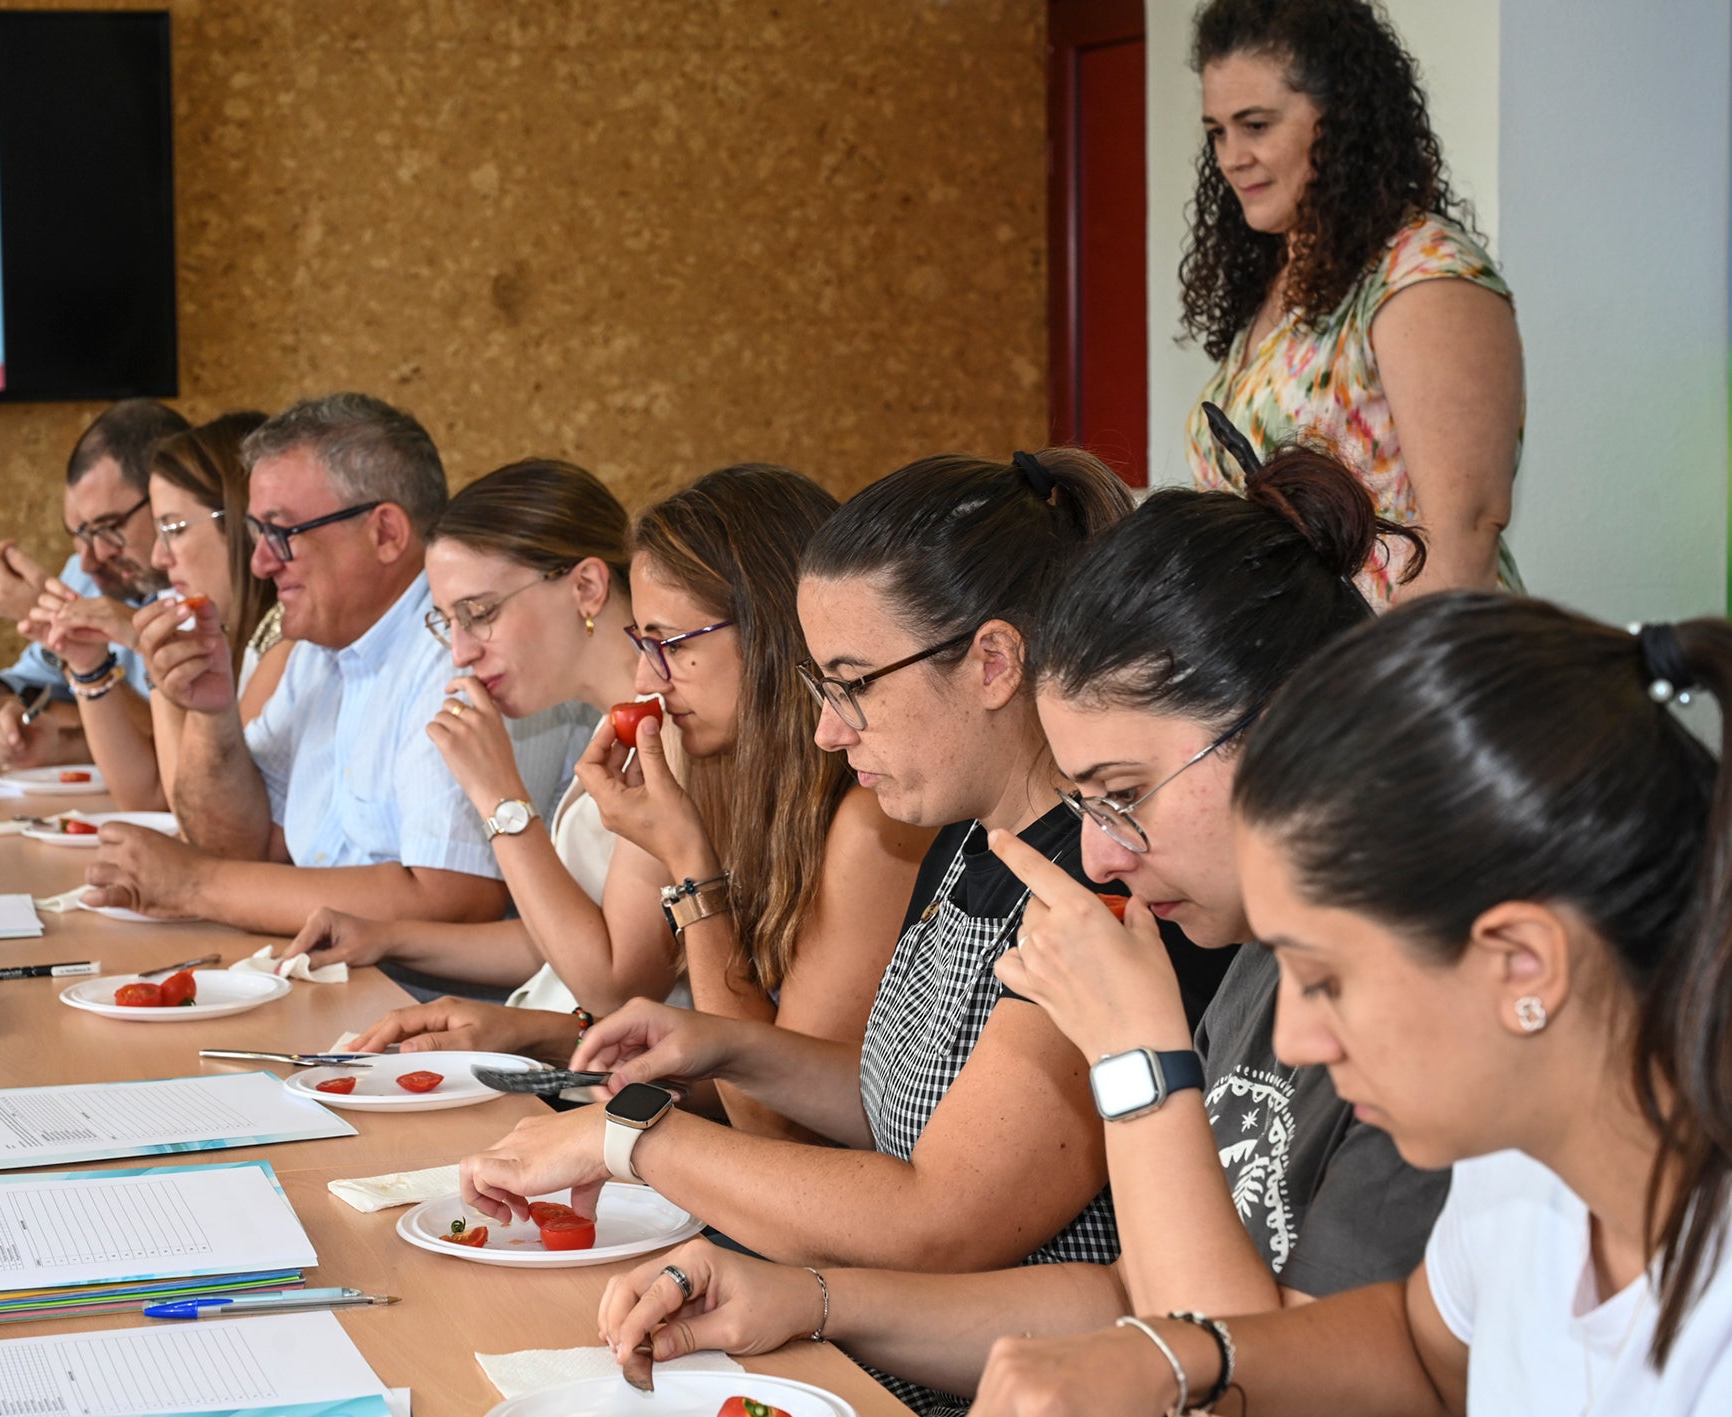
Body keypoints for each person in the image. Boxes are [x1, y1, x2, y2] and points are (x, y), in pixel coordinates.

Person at [595, 445, 1443, 1417]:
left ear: (1287, 737)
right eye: (1085, 801)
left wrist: (1139, 1060)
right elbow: (1124, 1298)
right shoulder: (1248, 953)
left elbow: (1219, 1374)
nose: (1098, 852)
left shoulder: (1384, 1000)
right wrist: (812, 1297)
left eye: (1121, 794)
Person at [460, 450, 1165, 1412]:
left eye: (853, 682)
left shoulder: (1091, 883)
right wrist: (731, 1044)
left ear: (995, 663)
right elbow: (903, 1100)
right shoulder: (962, 832)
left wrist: (634, 1139)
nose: (829, 731)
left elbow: (940, 1216)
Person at [961, 595, 1732, 1415]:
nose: (1294, 1038)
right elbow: (1421, 1348)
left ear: (1524, 965)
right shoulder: (1516, 1162)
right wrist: (1184, 1354)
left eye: (1325, 979)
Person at [308, 465, 930, 1105]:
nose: (648, 676)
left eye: (668, 642)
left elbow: (769, 1106)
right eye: (642, 642)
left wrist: (511, 806)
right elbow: (732, 1060)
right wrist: (543, 1036)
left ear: (770, 628)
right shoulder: (708, 751)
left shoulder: (862, 818)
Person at [77, 393, 594, 946]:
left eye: (280, 534)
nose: (259, 563)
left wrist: (196, 885)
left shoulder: (460, 649)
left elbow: (454, 896)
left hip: (440, 1002)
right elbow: (245, 846)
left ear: (385, 534)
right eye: (255, 535)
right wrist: (211, 714)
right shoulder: (317, 649)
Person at [264, 457, 679, 1020]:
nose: (461, 652)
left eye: (479, 613)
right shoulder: (615, 719)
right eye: (446, 623)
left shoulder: (666, 730)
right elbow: (558, 941)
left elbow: (612, 985)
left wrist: (501, 800)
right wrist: (387, 938)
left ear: (586, 586)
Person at [1179, 0, 1522, 603]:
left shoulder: (1422, 274)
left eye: (1256, 125)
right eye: (1218, 132)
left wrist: (1370, 694)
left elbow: (1463, 537)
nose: (1232, 156)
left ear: (1341, 121)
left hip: (1412, 678)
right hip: (1290, 681)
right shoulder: (1280, 280)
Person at [3, 412, 285, 810]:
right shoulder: (222, 627)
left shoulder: (287, 642)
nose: (159, 556)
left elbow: (196, 815)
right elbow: (150, 796)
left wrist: (145, 646)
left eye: (173, 529)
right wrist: (88, 666)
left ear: (244, 523)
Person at [0, 398, 187, 755]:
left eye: (108, 528)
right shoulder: (90, 575)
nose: (89, 561)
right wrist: (0, 693)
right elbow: (43, 678)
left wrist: (53, 628)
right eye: (79, 535)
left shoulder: (211, 585)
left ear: (170, 496)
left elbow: (172, 740)